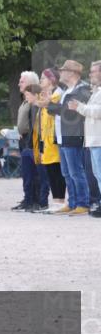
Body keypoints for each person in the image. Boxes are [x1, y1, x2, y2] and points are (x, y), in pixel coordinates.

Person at [46, 60, 92, 215]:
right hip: (62, 135)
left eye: (63, 70)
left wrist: (50, 105)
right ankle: (72, 202)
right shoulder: (67, 89)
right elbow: (61, 109)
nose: (61, 73)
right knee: (66, 172)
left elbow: (69, 111)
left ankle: (83, 203)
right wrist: (51, 106)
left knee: (76, 171)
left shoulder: (82, 89)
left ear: (72, 72)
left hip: (73, 134)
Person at [68, 60, 101, 217]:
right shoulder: (96, 91)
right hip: (94, 140)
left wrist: (79, 107)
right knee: (97, 174)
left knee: (100, 174)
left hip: (99, 140)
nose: (90, 74)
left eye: (93, 71)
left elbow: (98, 111)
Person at [27, 83, 64, 213]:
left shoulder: (53, 103)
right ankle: (56, 201)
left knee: (57, 174)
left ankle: (60, 201)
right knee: (50, 174)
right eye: (42, 95)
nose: (42, 97)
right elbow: (41, 129)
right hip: (45, 144)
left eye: (45, 94)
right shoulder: (41, 109)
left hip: (54, 143)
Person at [13, 71, 42, 212]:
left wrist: (29, 140)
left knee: (34, 172)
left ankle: (36, 200)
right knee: (26, 172)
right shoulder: (25, 100)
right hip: (23, 138)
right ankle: (28, 198)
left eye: (22, 81)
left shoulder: (34, 102)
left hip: (31, 140)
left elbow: (34, 123)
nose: (19, 83)